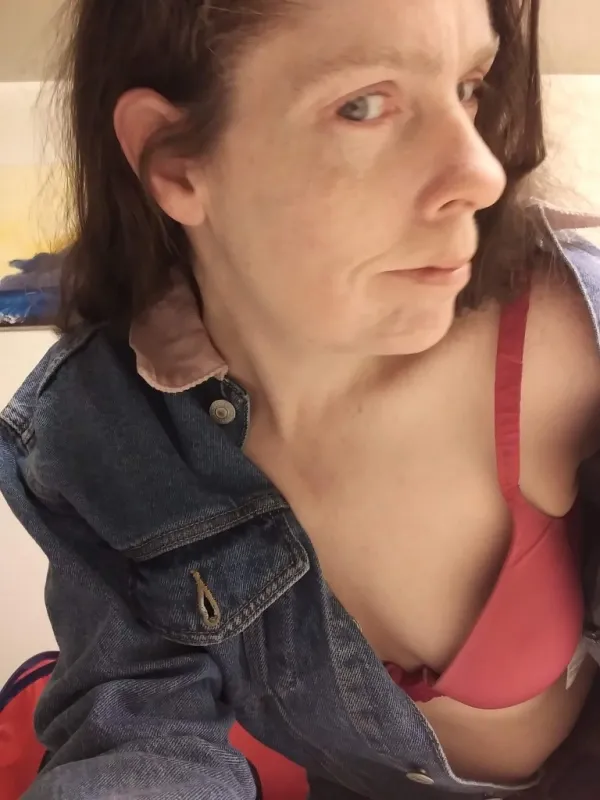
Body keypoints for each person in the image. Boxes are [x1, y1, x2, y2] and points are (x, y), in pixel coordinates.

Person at [1, 0, 600, 797]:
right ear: (176, 163)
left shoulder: (568, 339)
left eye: (469, 87)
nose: (482, 173)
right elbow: (143, 730)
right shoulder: (103, 435)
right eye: (364, 105)